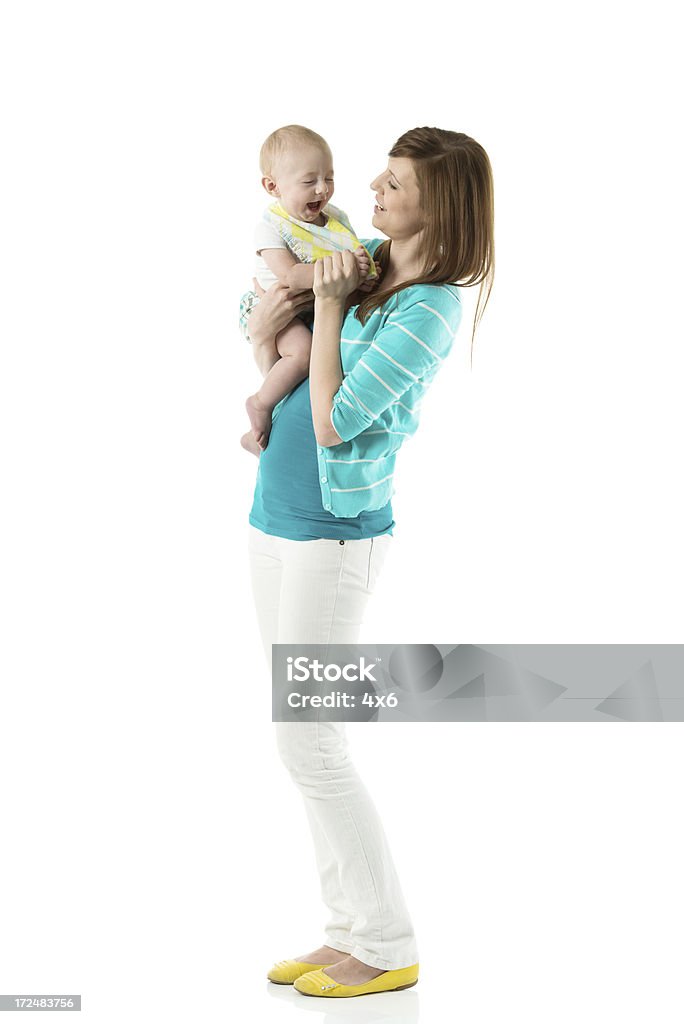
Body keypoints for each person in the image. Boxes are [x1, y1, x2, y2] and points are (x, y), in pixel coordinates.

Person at [244, 126, 495, 998]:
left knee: (308, 742)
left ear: (441, 205)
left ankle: (388, 945)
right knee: (299, 741)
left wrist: (327, 307)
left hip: (335, 536)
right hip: (273, 517)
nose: (375, 193)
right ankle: (345, 929)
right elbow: (255, 319)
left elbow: (333, 420)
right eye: (381, 180)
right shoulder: (360, 255)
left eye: (396, 185)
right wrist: (282, 313)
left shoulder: (428, 303)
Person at [239, 124, 378, 456]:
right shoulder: (270, 227)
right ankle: (259, 404)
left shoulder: (335, 219)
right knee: (303, 355)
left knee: (311, 373)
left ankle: (261, 435)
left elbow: (350, 255)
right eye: (309, 181)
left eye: (329, 178)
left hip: (307, 308)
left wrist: (361, 270)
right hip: (272, 306)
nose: (322, 190)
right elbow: (289, 276)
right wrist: (342, 271)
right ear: (273, 186)